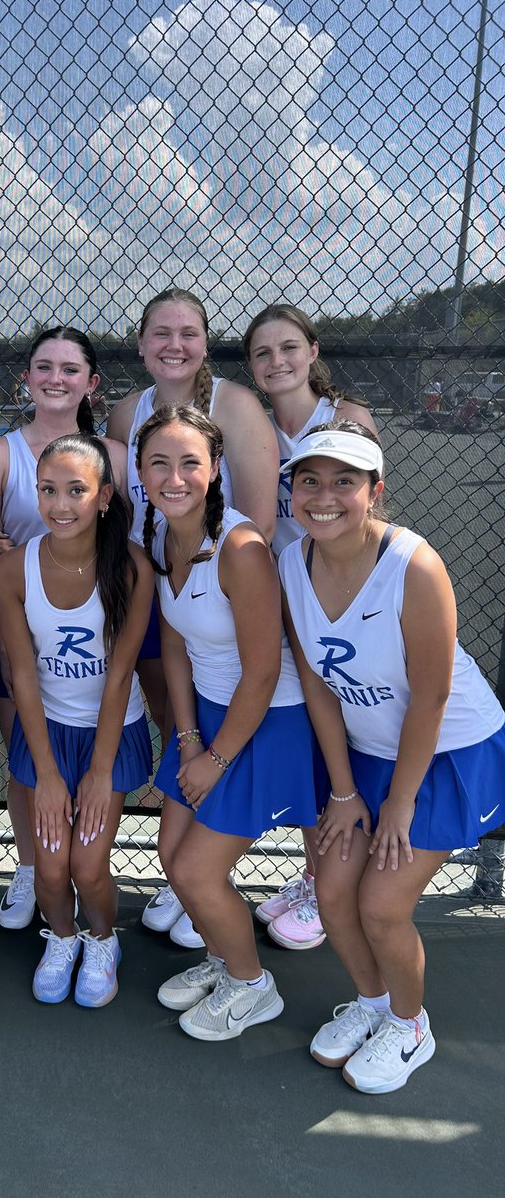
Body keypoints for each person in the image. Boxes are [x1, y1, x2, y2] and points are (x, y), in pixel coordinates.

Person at [278, 421, 505, 1093]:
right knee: (331, 889)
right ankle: (375, 1006)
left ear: (375, 491)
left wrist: (399, 805)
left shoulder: (414, 564)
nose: (324, 496)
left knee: (380, 906)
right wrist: (346, 793)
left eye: (344, 482)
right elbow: (318, 684)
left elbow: (431, 697)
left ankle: (410, 1026)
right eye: (309, 480)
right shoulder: (292, 561)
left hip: (446, 753)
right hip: (368, 758)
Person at [136, 404, 318, 1041]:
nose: (175, 476)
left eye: (190, 462)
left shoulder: (241, 548)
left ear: (214, 470)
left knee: (195, 872)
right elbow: (179, 645)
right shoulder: (163, 537)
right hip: (208, 720)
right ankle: (224, 960)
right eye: (159, 462)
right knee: (168, 852)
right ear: (140, 472)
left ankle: (251, 987)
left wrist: (214, 758)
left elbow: (264, 674)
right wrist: (187, 739)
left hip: (266, 722)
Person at [107, 288, 279, 950]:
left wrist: (205, 594)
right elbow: (130, 500)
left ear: (206, 343)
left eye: (188, 333)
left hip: (220, 599)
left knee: (235, 714)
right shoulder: (129, 410)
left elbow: (257, 521)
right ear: (142, 342)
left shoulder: (234, 405)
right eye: (160, 333)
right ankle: (195, 874)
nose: (173, 344)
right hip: (163, 594)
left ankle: (207, 873)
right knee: (179, 714)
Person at [0, 327, 127, 932]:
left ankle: (84, 869)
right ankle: (33, 863)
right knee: (28, 758)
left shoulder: (112, 455)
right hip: (23, 633)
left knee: (97, 756)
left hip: (96, 631)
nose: (55, 379)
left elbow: (126, 538)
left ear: (91, 383)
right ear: (27, 378)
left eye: (70, 369)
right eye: (44, 367)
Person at [0, 435, 153, 1006]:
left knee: (87, 866)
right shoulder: (14, 570)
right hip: (47, 737)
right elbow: (24, 677)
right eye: (48, 490)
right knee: (50, 871)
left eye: (77, 490)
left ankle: (102, 940)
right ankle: (62, 939)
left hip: (109, 734)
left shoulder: (131, 567)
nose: (60, 505)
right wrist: (49, 775)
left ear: (105, 496)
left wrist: (98, 774)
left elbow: (119, 675)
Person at [243, 303, 379, 949]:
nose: (277, 362)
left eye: (288, 347)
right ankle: (316, 873)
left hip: (343, 596)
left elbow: (365, 512)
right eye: (263, 353)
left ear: (313, 350)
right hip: (288, 598)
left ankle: (335, 889)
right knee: (314, 732)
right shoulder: (255, 428)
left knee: (347, 735)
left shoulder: (347, 419)